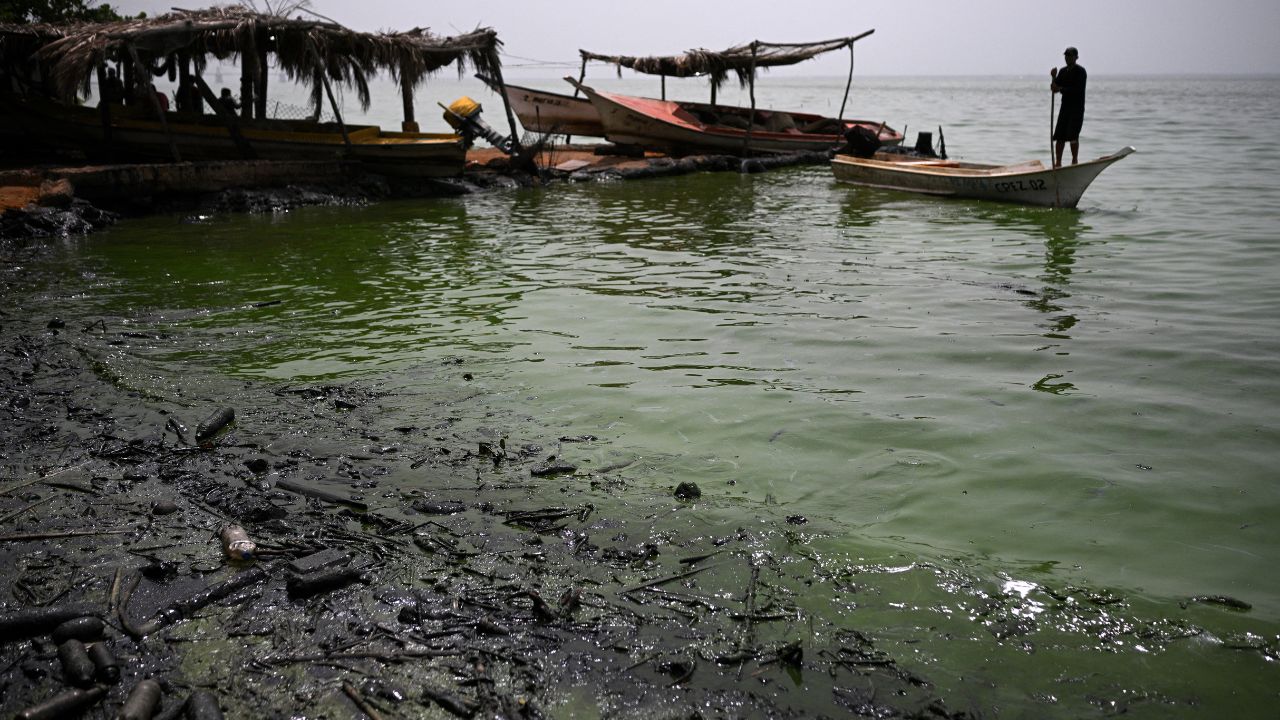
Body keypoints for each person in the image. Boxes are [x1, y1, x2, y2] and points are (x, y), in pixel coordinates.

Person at [1050, 46, 1086, 167]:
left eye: (1070, 55)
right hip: (1065, 107)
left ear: (1076, 57)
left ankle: (1074, 161)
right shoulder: (1063, 71)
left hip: (1076, 108)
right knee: (1059, 136)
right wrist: (1054, 78)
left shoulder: (1080, 71)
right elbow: (1054, 89)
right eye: (1066, 55)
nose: (1067, 58)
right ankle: (1058, 163)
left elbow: (1077, 90)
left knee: (1073, 136)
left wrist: (1060, 89)